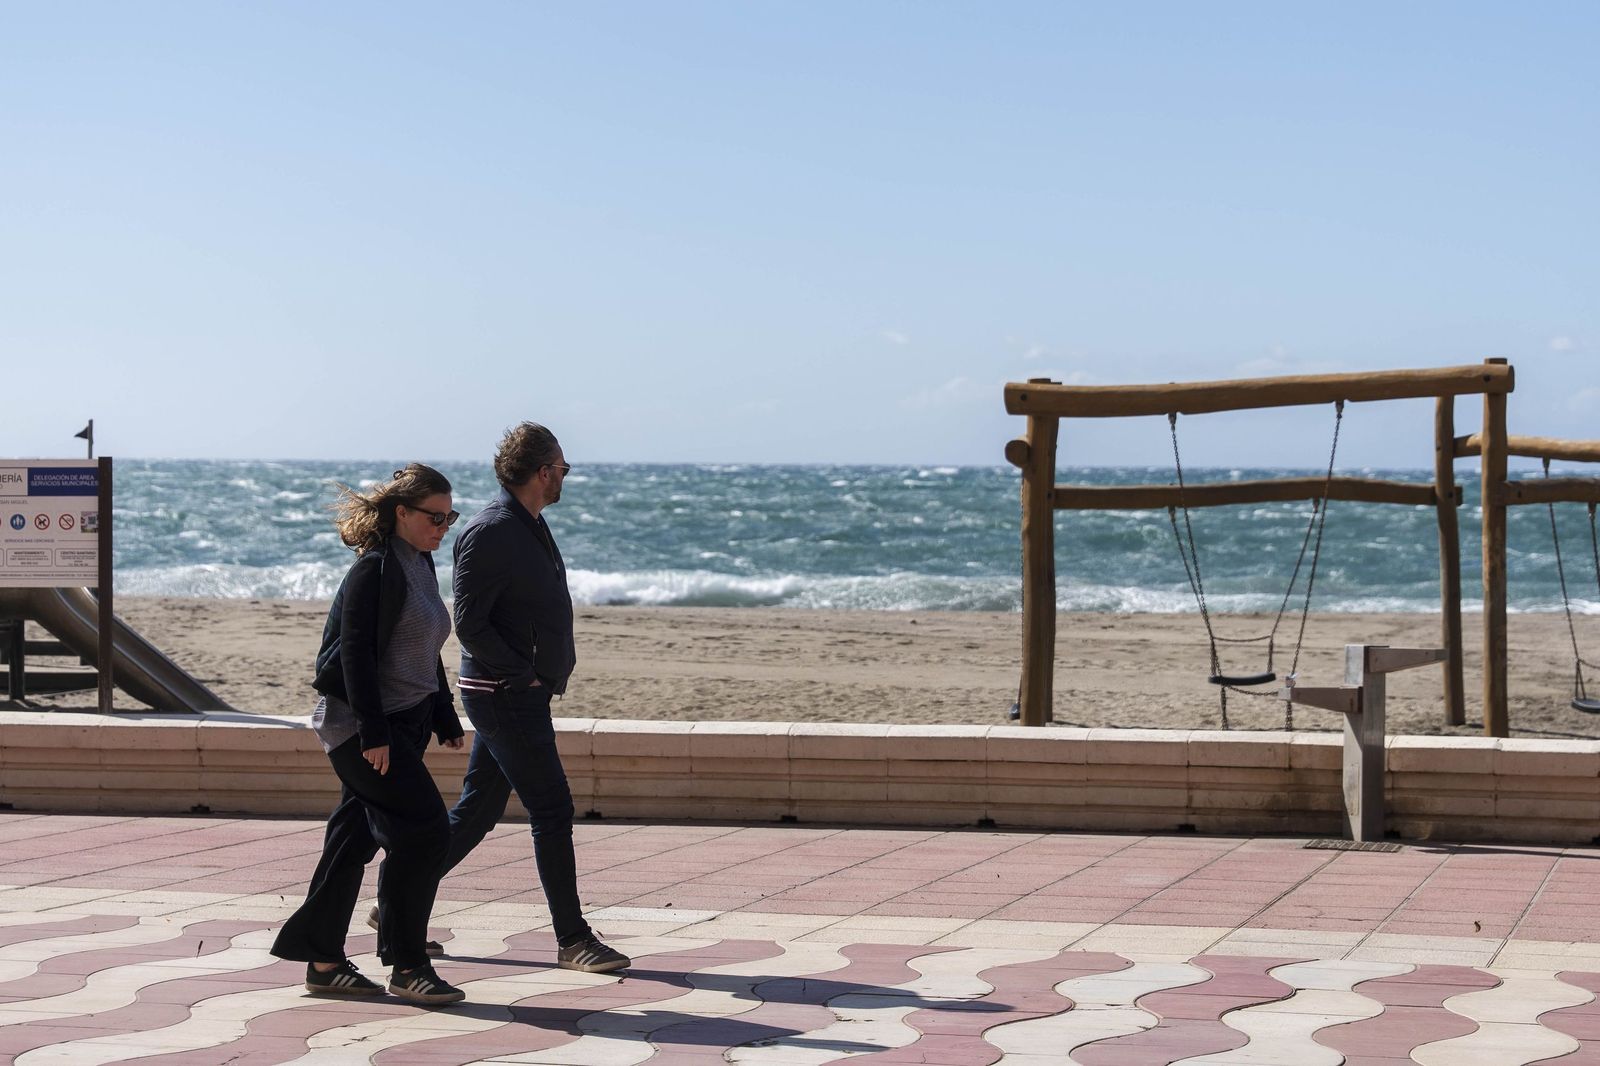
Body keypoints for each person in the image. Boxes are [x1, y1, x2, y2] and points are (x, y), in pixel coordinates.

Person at [271, 463, 468, 1005]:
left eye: (449, 517)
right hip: (362, 728)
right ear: (401, 512)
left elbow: (423, 648)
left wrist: (444, 716)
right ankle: (409, 965)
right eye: (434, 516)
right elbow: (356, 654)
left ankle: (323, 961)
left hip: (404, 723)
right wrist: (373, 733)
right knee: (425, 832)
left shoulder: (419, 563)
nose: (442, 526)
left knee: (350, 843)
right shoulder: (375, 570)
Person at [438, 422, 630, 973]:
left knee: (478, 810)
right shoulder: (493, 530)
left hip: (515, 692)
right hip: (503, 694)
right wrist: (522, 676)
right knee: (551, 808)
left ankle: (397, 898)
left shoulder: (529, 525)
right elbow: (469, 622)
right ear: (544, 472)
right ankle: (573, 939)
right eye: (564, 468)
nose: (566, 476)